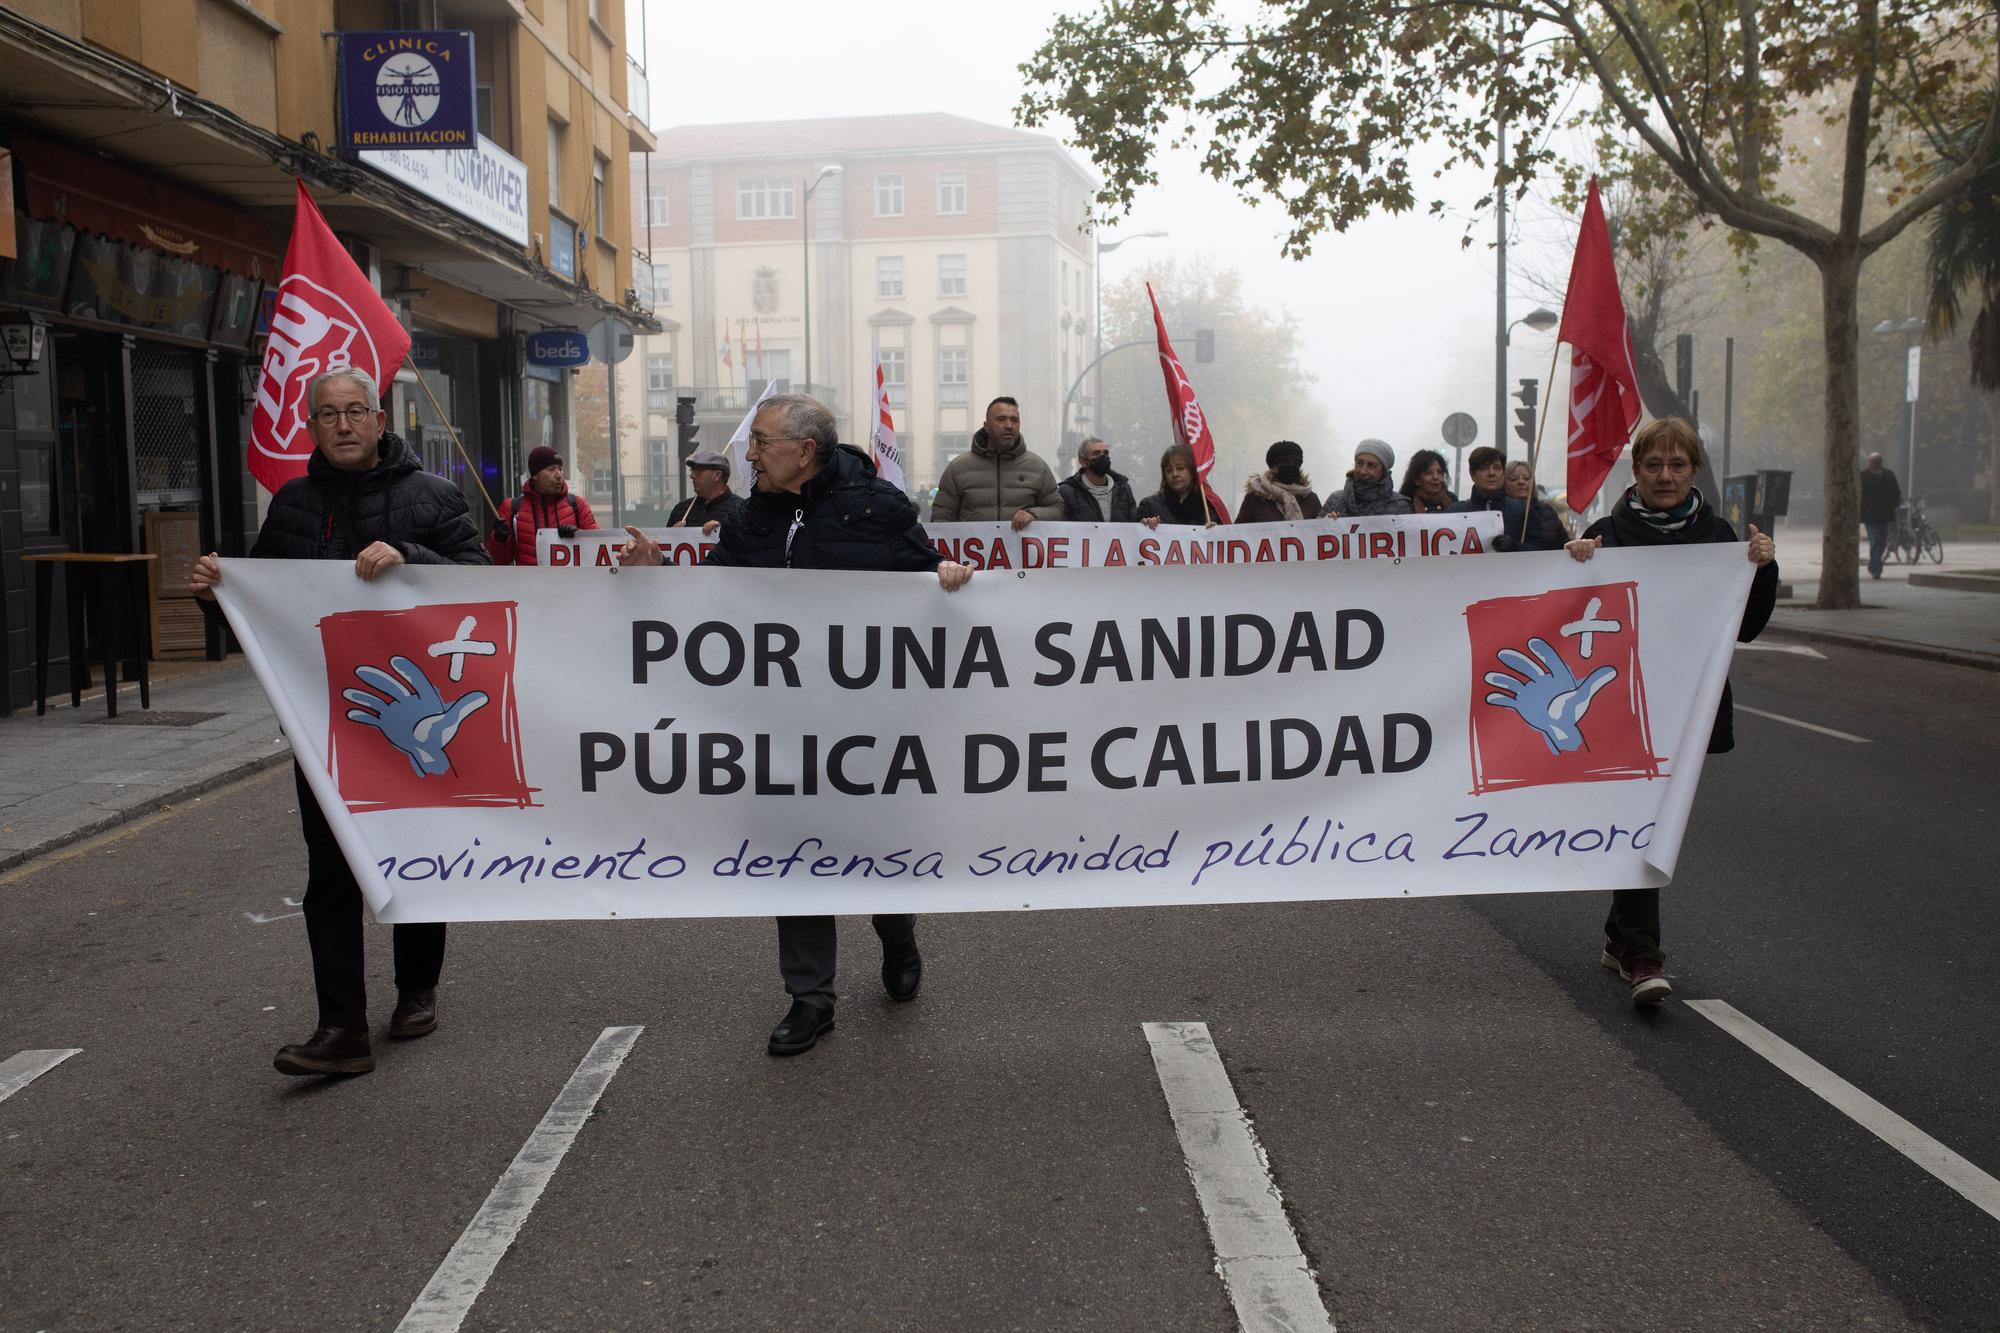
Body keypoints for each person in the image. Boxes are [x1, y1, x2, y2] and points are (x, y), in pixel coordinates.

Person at [620, 394, 973, 1057]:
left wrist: (947, 577)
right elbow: (717, 590)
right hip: (781, 726)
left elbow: (927, 583)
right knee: (793, 854)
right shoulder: (756, 516)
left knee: (875, 853)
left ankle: (897, 933)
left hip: (867, 728)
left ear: (803, 451)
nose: (747, 454)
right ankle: (811, 997)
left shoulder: (879, 511)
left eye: (758, 442)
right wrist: (659, 577)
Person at [189, 367, 488, 1076]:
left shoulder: (433, 497)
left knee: (411, 855)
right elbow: (260, 608)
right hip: (327, 723)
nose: (344, 424)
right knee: (331, 872)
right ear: (312, 425)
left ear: (382, 420)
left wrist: (411, 556)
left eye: (356, 411)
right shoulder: (293, 504)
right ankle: (340, 1026)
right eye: (329, 414)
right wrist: (215, 595)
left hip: (414, 718)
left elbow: (480, 580)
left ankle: (416, 987)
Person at [1565, 416, 1778, 1004]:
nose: (1665, 475)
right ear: (1636, 471)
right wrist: (1573, 561)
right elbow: (1571, 618)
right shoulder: (1608, 533)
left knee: (1651, 821)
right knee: (1645, 821)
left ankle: (1620, 940)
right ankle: (1642, 954)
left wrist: (1763, 566)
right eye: (1653, 465)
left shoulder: (1720, 539)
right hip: (1620, 707)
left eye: (1677, 465)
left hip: (1685, 707)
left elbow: (1750, 628)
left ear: (1693, 470)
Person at [929, 396, 1061, 529]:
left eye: (1015, 420)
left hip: (1021, 549)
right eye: (1001, 419)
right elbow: (941, 519)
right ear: (986, 426)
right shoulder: (958, 468)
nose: (1009, 426)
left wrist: (1033, 515)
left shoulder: (1037, 467)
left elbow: (1058, 508)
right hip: (972, 549)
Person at [486, 445, 597, 565]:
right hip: (529, 583)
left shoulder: (578, 505)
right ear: (535, 475)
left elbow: (598, 549)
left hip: (569, 582)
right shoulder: (511, 509)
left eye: (560, 469)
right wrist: (499, 541)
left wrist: (578, 535)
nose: (559, 475)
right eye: (551, 469)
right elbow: (497, 562)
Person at [1138, 444, 1226, 527]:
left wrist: (1216, 533)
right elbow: (1133, 538)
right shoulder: (1149, 507)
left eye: (1180, 468)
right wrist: (1144, 527)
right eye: (1169, 470)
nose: (1175, 474)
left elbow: (1226, 538)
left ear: (1192, 471)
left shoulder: (1209, 506)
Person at [1058, 436, 1139, 522]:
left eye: (1106, 453)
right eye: (1096, 454)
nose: (1103, 457)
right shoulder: (1068, 492)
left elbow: (1134, 522)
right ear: (1083, 461)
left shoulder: (1123, 489)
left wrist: (1144, 524)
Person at [1497, 460, 1572, 551]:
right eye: (1514, 479)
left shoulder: (1547, 511)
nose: (1521, 482)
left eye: (1527, 478)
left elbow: (1564, 545)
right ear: (1503, 484)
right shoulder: (1498, 513)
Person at [665, 449, 746, 534]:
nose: (692, 476)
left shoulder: (741, 510)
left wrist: (723, 530)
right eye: (692, 470)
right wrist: (671, 535)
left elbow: (750, 543)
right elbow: (663, 545)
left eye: (699, 471)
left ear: (717, 475)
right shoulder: (681, 510)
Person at [1238, 440, 1321, 522]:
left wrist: (1330, 519)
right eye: (1285, 462)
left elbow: (1321, 528)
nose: (1291, 465)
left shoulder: (1311, 499)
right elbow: (1238, 531)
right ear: (1272, 467)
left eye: (1295, 462)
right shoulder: (1254, 499)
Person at [1326, 439, 1413, 517]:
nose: (1363, 471)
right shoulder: (1335, 500)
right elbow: (1315, 532)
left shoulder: (1399, 506)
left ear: (1383, 471)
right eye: (1359, 463)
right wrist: (1325, 523)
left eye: (1371, 466)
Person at [1859, 451, 1902, 579]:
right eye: (1873, 462)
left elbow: (1896, 491)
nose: (1875, 464)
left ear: (1881, 462)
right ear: (1869, 463)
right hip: (1870, 515)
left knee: (1882, 542)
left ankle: (1874, 565)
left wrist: (1894, 503)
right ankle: (1877, 568)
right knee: (1875, 540)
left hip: (1885, 513)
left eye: (1878, 462)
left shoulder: (1889, 475)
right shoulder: (1863, 476)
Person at [1399, 448, 1457, 514]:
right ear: (1416, 480)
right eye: (1428, 473)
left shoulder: (1452, 500)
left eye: (1439, 472)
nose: (1435, 477)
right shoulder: (1404, 505)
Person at [1452, 446, 1507, 514]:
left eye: (1497, 468)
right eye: (1484, 468)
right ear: (1472, 474)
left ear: (1504, 473)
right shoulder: (1456, 511)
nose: (1491, 473)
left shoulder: (1521, 512)